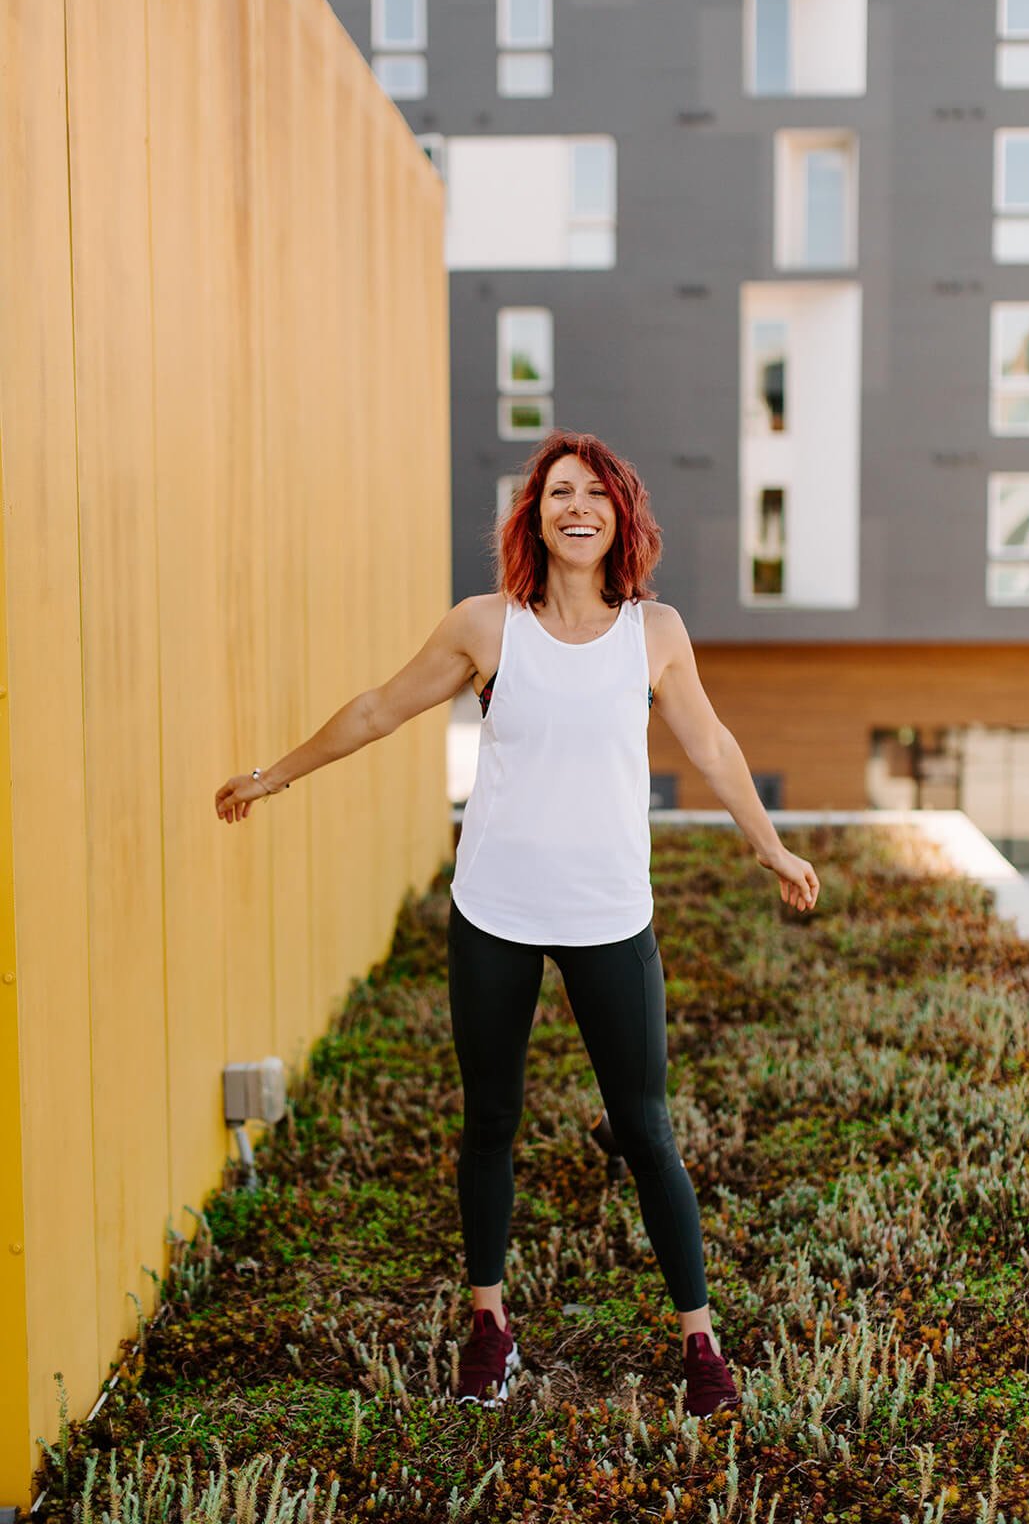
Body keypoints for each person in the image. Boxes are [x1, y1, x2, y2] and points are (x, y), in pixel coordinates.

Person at [215, 429, 820, 1419]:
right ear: (533, 518)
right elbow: (377, 710)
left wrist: (769, 845)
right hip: (493, 909)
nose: (574, 507)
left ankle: (699, 1341)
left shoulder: (653, 632)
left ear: (620, 514)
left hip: (609, 912)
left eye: (593, 493)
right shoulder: (485, 627)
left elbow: (709, 743)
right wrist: (271, 776)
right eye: (556, 494)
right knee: (489, 1119)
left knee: (644, 1127)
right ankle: (488, 1324)